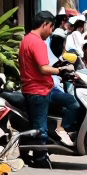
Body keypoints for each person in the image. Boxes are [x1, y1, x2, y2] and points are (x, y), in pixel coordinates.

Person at [18, 12, 74, 152]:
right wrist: (61, 70)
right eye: (50, 27)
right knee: (39, 130)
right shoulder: (37, 42)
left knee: (71, 102)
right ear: (44, 24)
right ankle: (40, 158)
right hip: (38, 91)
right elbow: (43, 69)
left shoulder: (26, 39)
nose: (50, 32)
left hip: (38, 89)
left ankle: (60, 131)